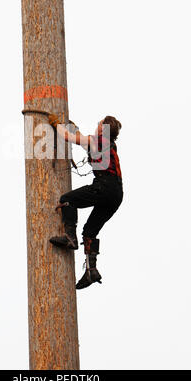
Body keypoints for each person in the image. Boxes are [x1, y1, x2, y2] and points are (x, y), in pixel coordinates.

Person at [48, 114, 123, 289]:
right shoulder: (109, 145)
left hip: (103, 188)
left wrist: (56, 124)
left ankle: (70, 237)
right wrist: (73, 129)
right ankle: (91, 270)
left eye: (99, 123)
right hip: (116, 194)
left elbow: (67, 137)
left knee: (67, 200)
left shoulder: (97, 140)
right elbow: (82, 141)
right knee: (89, 232)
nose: (97, 124)